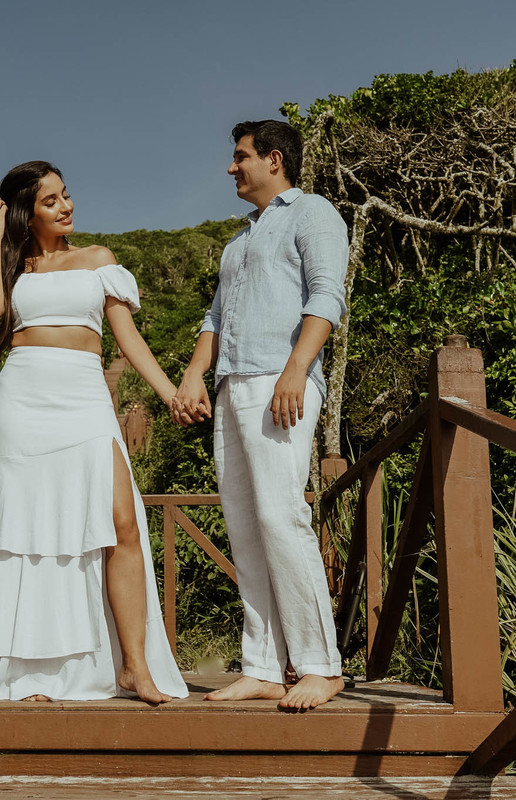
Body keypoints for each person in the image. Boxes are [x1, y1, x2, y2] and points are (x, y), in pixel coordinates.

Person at [0, 161, 188, 704]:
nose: (66, 206)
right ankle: (34, 673)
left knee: (121, 522)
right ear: (28, 211)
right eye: (51, 201)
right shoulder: (11, 266)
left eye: (66, 195)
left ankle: (135, 667)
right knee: (28, 535)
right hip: (22, 398)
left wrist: (170, 395)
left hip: (84, 395)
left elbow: (128, 340)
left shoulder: (99, 260)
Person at [174, 120, 349, 710]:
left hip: (283, 383)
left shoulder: (313, 212)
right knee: (246, 529)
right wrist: (195, 372)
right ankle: (265, 666)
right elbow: (215, 318)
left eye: (240, 157)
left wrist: (297, 368)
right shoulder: (238, 241)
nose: (231, 168)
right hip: (231, 387)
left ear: (274, 160)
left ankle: (321, 665)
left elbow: (326, 295)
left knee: (280, 517)